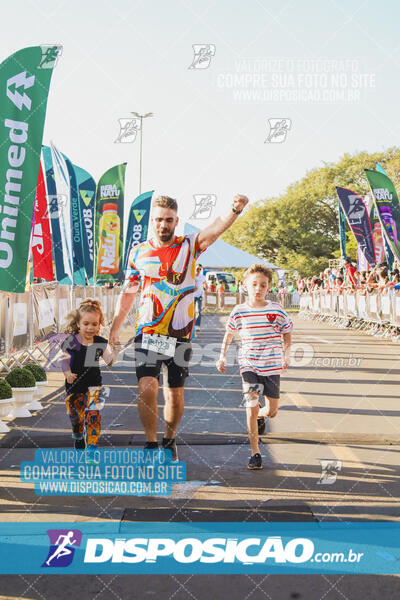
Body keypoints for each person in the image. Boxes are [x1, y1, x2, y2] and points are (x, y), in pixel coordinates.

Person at [109, 193, 249, 459]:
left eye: (169, 220)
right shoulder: (137, 252)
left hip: (180, 334)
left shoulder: (189, 245)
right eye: (160, 220)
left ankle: (169, 439)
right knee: (147, 386)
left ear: (176, 221)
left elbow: (215, 230)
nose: (164, 225)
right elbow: (128, 293)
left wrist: (234, 209)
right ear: (153, 221)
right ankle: (150, 443)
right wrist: (115, 328)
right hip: (147, 331)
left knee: (174, 394)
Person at [216, 264, 293, 470]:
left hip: (272, 364)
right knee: (250, 406)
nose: (258, 288)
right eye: (254, 284)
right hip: (248, 363)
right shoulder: (239, 311)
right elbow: (229, 334)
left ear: (268, 288)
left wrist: (286, 354)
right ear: (245, 286)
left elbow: (287, 332)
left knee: (272, 411)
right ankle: (255, 453)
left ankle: (262, 413)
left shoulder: (276, 309)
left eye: (263, 285)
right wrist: (222, 357)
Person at [62, 299, 118, 459]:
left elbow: (110, 361)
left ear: (99, 325)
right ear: (78, 324)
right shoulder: (71, 341)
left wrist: (115, 349)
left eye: (94, 324)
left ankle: (92, 449)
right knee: (76, 418)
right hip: (74, 387)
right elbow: (63, 360)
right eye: (86, 323)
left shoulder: (100, 342)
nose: (90, 328)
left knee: (94, 416)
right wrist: (67, 374)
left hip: (95, 386)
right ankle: (78, 434)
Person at [194, 263, 206, 330]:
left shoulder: (202, 277)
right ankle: (191, 326)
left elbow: (205, 284)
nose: (198, 270)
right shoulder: (192, 276)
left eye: (200, 269)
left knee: (198, 311)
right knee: (191, 312)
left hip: (199, 295)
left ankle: (197, 326)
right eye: (197, 268)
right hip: (192, 295)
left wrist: (205, 286)